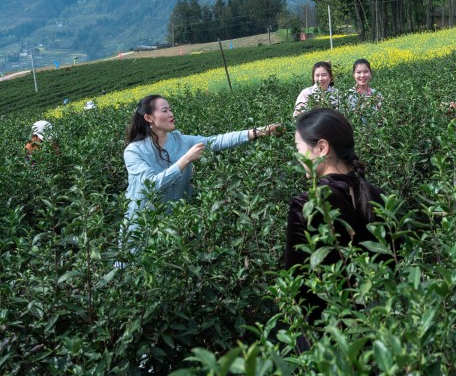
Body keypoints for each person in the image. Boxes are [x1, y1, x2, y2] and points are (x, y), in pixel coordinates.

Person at [286, 108, 386, 322]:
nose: (296, 157)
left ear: (321, 148)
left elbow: (299, 286)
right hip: (382, 324)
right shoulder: (378, 195)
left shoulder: (305, 205)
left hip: (333, 333)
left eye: (298, 148)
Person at [123, 94, 280, 228]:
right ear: (149, 118)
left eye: (170, 109)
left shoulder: (180, 140)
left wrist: (258, 132)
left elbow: (216, 141)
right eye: (165, 110)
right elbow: (152, 185)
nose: (171, 114)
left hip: (178, 223)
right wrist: (186, 159)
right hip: (143, 225)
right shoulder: (134, 151)